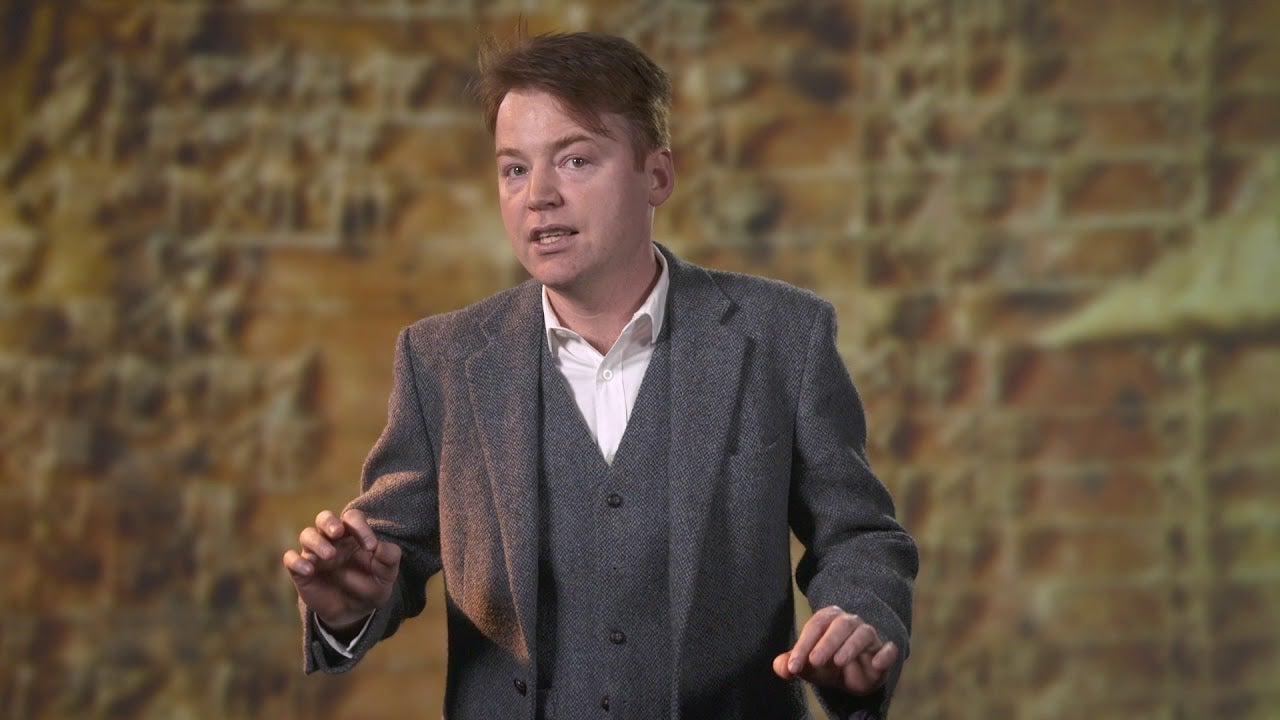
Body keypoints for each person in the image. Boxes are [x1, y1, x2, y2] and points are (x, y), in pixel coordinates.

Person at [283, 31, 918, 720]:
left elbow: (858, 535)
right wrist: (347, 608)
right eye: (514, 169)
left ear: (658, 176)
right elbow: (386, 557)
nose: (539, 196)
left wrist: (858, 619)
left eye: (576, 160)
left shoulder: (784, 336)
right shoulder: (439, 360)